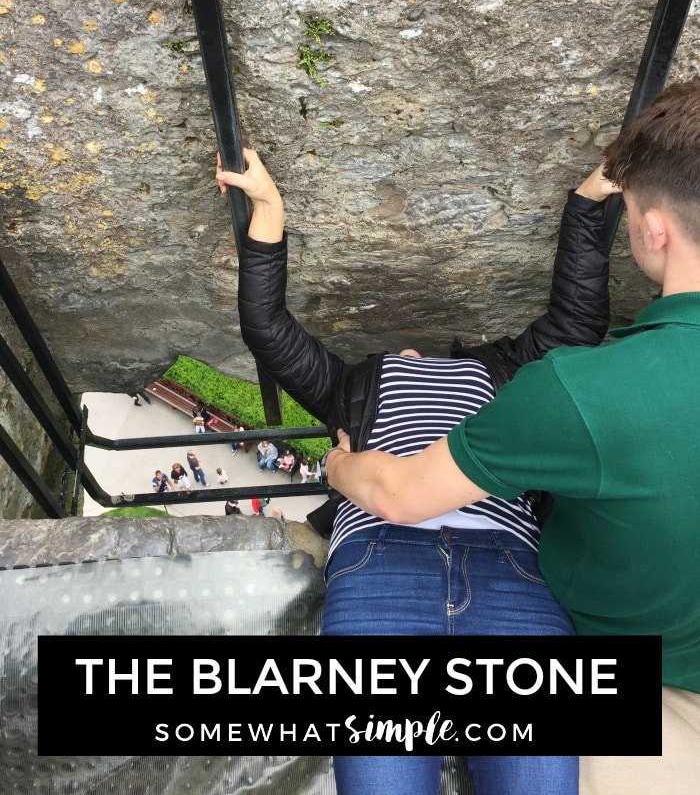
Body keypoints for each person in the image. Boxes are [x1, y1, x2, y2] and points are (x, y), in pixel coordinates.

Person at [321, 78, 700, 795]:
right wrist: (593, 206)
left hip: (635, 677)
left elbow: (398, 494)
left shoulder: (577, 389)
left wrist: (337, 466)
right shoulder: (558, 384)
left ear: (653, 230)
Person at [217, 147, 615, 795]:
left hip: (508, 564)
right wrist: (268, 209)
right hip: (383, 563)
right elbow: (267, 328)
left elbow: (577, 322)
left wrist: (590, 200)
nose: (415, 351)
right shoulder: (352, 385)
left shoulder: (501, 371)